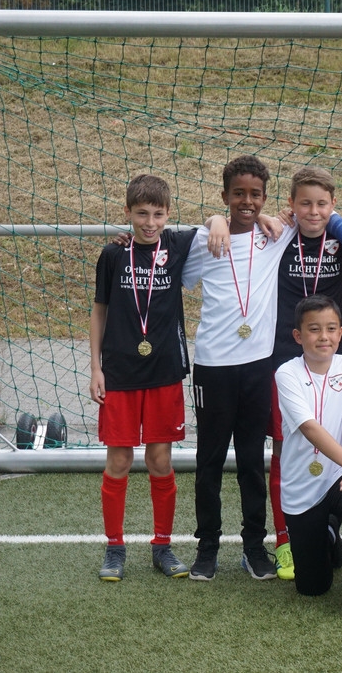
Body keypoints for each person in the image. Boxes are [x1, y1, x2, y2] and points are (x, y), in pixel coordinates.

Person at [182, 155, 296, 582]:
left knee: (251, 460)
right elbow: (169, 267)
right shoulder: (204, 240)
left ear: (265, 198)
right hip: (213, 366)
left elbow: (321, 212)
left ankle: (253, 547)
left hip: (258, 367)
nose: (247, 202)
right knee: (209, 459)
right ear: (225, 195)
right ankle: (207, 547)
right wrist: (214, 221)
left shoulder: (275, 235)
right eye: (238, 194)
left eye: (255, 195)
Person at [90, 174, 196, 581]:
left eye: (158, 214)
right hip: (119, 372)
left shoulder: (177, 246)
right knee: (119, 459)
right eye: (142, 214)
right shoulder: (113, 254)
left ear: (168, 214)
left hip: (164, 371)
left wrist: (219, 222)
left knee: (159, 459)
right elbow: (99, 311)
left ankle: (162, 546)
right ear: (128, 213)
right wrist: (96, 367)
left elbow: (215, 224)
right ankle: (114, 547)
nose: (150, 222)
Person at [274, 295, 342, 619]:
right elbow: (309, 428)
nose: (324, 337)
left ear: (341, 333)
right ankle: (331, 535)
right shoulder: (286, 373)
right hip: (302, 483)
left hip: (339, 475)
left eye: (331, 329)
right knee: (312, 587)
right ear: (298, 336)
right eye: (314, 329)